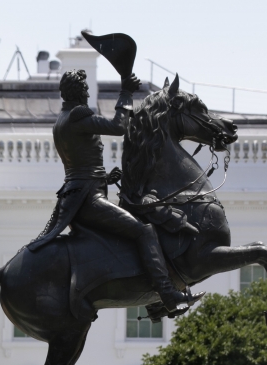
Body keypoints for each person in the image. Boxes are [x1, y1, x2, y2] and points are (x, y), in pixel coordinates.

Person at [27, 66, 202, 315]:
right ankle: (166, 296)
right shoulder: (77, 116)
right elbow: (118, 126)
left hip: (79, 194)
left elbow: (79, 166)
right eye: (86, 89)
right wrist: (126, 92)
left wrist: (105, 178)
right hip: (88, 200)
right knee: (144, 231)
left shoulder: (62, 120)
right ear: (79, 93)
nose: (88, 94)